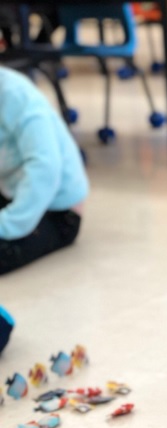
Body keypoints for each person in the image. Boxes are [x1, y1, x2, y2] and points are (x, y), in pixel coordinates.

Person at [0, 65, 89, 275]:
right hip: (12, 192)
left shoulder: (16, 95)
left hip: (57, 210)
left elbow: (45, 168)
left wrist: (5, 225)